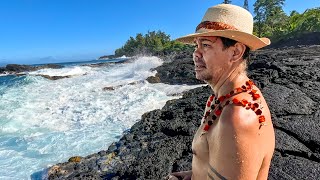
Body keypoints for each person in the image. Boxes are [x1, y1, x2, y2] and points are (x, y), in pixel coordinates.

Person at [167, 4, 275, 180]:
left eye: (206, 45)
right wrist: (193, 175)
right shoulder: (228, 98)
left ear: (236, 52)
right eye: (196, 45)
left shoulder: (237, 117)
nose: (196, 54)